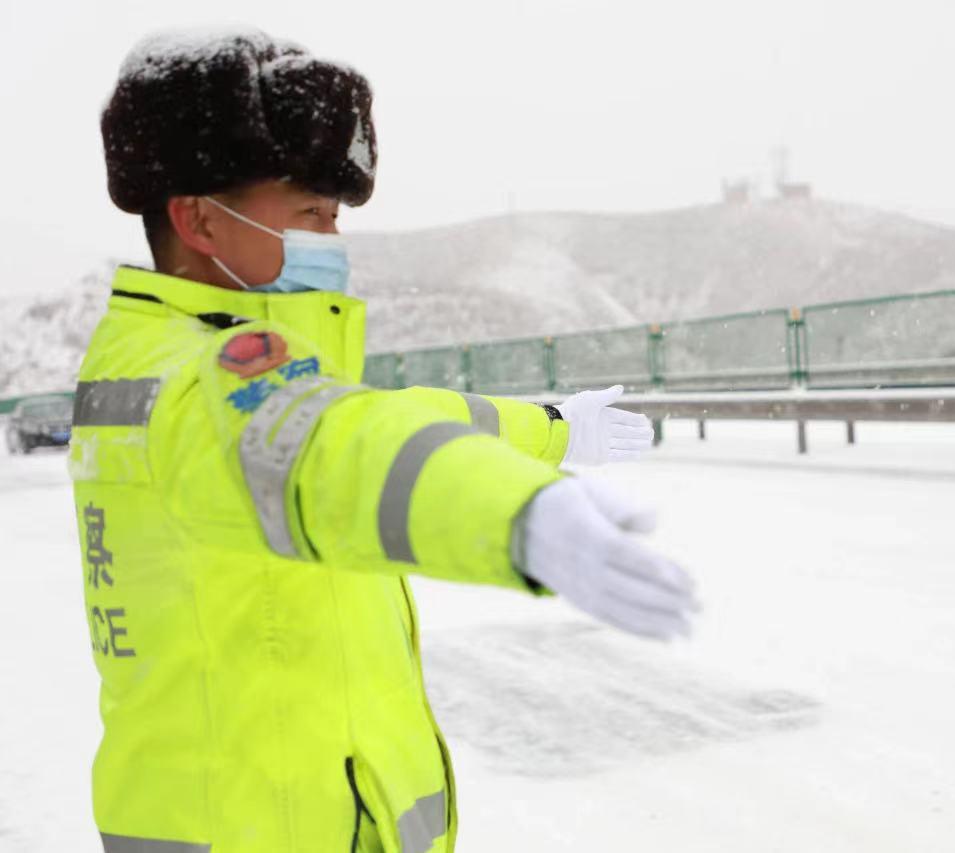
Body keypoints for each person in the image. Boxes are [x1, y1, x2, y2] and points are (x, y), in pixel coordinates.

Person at [74, 27, 699, 853]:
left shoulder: (171, 360)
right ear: (198, 220)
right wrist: (514, 514)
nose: (330, 244)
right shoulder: (195, 380)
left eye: (333, 218)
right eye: (308, 214)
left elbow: (390, 420)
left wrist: (553, 430)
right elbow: (328, 447)